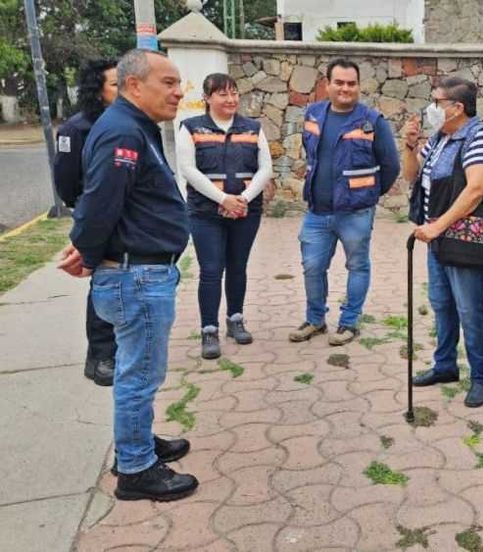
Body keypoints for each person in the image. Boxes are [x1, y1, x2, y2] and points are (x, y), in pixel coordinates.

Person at [60, 49, 198, 502]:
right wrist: (88, 251)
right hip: (135, 276)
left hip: (139, 273)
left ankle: (136, 442)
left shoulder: (133, 128)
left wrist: (87, 248)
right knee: (139, 375)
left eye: (179, 83)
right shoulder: (122, 131)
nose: (179, 92)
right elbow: (100, 201)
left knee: (137, 371)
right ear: (134, 85)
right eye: (169, 82)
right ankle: (136, 469)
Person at [401, 77, 483, 408]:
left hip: (466, 242)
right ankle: (445, 366)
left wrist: (437, 226)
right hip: (440, 241)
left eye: (437, 102)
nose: (431, 109)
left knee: (470, 309)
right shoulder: (440, 139)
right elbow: (412, 177)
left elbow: (477, 189)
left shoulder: (479, 139)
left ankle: (481, 378)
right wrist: (409, 147)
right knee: (442, 304)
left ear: (457, 107)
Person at [289, 59, 400, 346]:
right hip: (317, 212)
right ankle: (315, 320)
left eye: (351, 83)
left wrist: (369, 196)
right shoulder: (313, 114)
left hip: (355, 213)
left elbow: (391, 166)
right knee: (312, 267)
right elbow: (310, 152)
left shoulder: (372, 121)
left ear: (359, 86)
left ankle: (349, 322)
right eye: (339, 82)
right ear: (327, 84)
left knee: (357, 266)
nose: (345, 88)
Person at [177, 73, 273, 360]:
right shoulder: (191, 128)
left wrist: (242, 199)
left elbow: (265, 168)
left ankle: (235, 319)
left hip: (245, 211)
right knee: (210, 270)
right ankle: (209, 329)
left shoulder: (252, 128)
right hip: (206, 213)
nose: (230, 99)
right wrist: (223, 199)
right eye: (222, 94)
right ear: (207, 98)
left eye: (234, 93)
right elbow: (188, 170)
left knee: (237, 266)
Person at [54, 58, 118, 386]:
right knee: (102, 280)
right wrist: (83, 211)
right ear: (98, 90)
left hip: (123, 218)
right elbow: (65, 181)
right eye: (116, 85)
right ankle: (100, 355)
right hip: (95, 217)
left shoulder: (129, 124)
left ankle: (115, 349)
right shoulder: (75, 129)